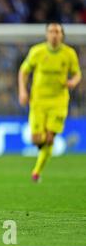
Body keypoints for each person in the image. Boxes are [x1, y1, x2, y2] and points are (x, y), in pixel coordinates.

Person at [18, 23, 82, 183]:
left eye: (58, 32)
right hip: (38, 101)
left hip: (58, 101)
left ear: (62, 35)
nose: (54, 34)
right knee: (36, 139)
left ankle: (36, 172)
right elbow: (23, 71)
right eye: (52, 31)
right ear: (47, 34)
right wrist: (22, 91)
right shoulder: (37, 52)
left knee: (49, 137)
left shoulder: (69, 54)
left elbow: (77, 73)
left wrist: (73, 82)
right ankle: (48, 145)